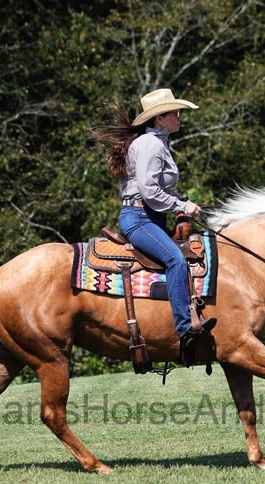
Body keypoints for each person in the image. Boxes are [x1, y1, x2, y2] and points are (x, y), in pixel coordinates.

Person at [92, 88, 216, 364]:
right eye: (175, 113)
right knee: (175, 260)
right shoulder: (151, 145)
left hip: (151, 218)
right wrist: (183, 207)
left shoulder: (158, 143)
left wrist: (181, 202)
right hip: (139, 219)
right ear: (160, 119)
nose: (180, 117)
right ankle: (185, 329)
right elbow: (148, 191)